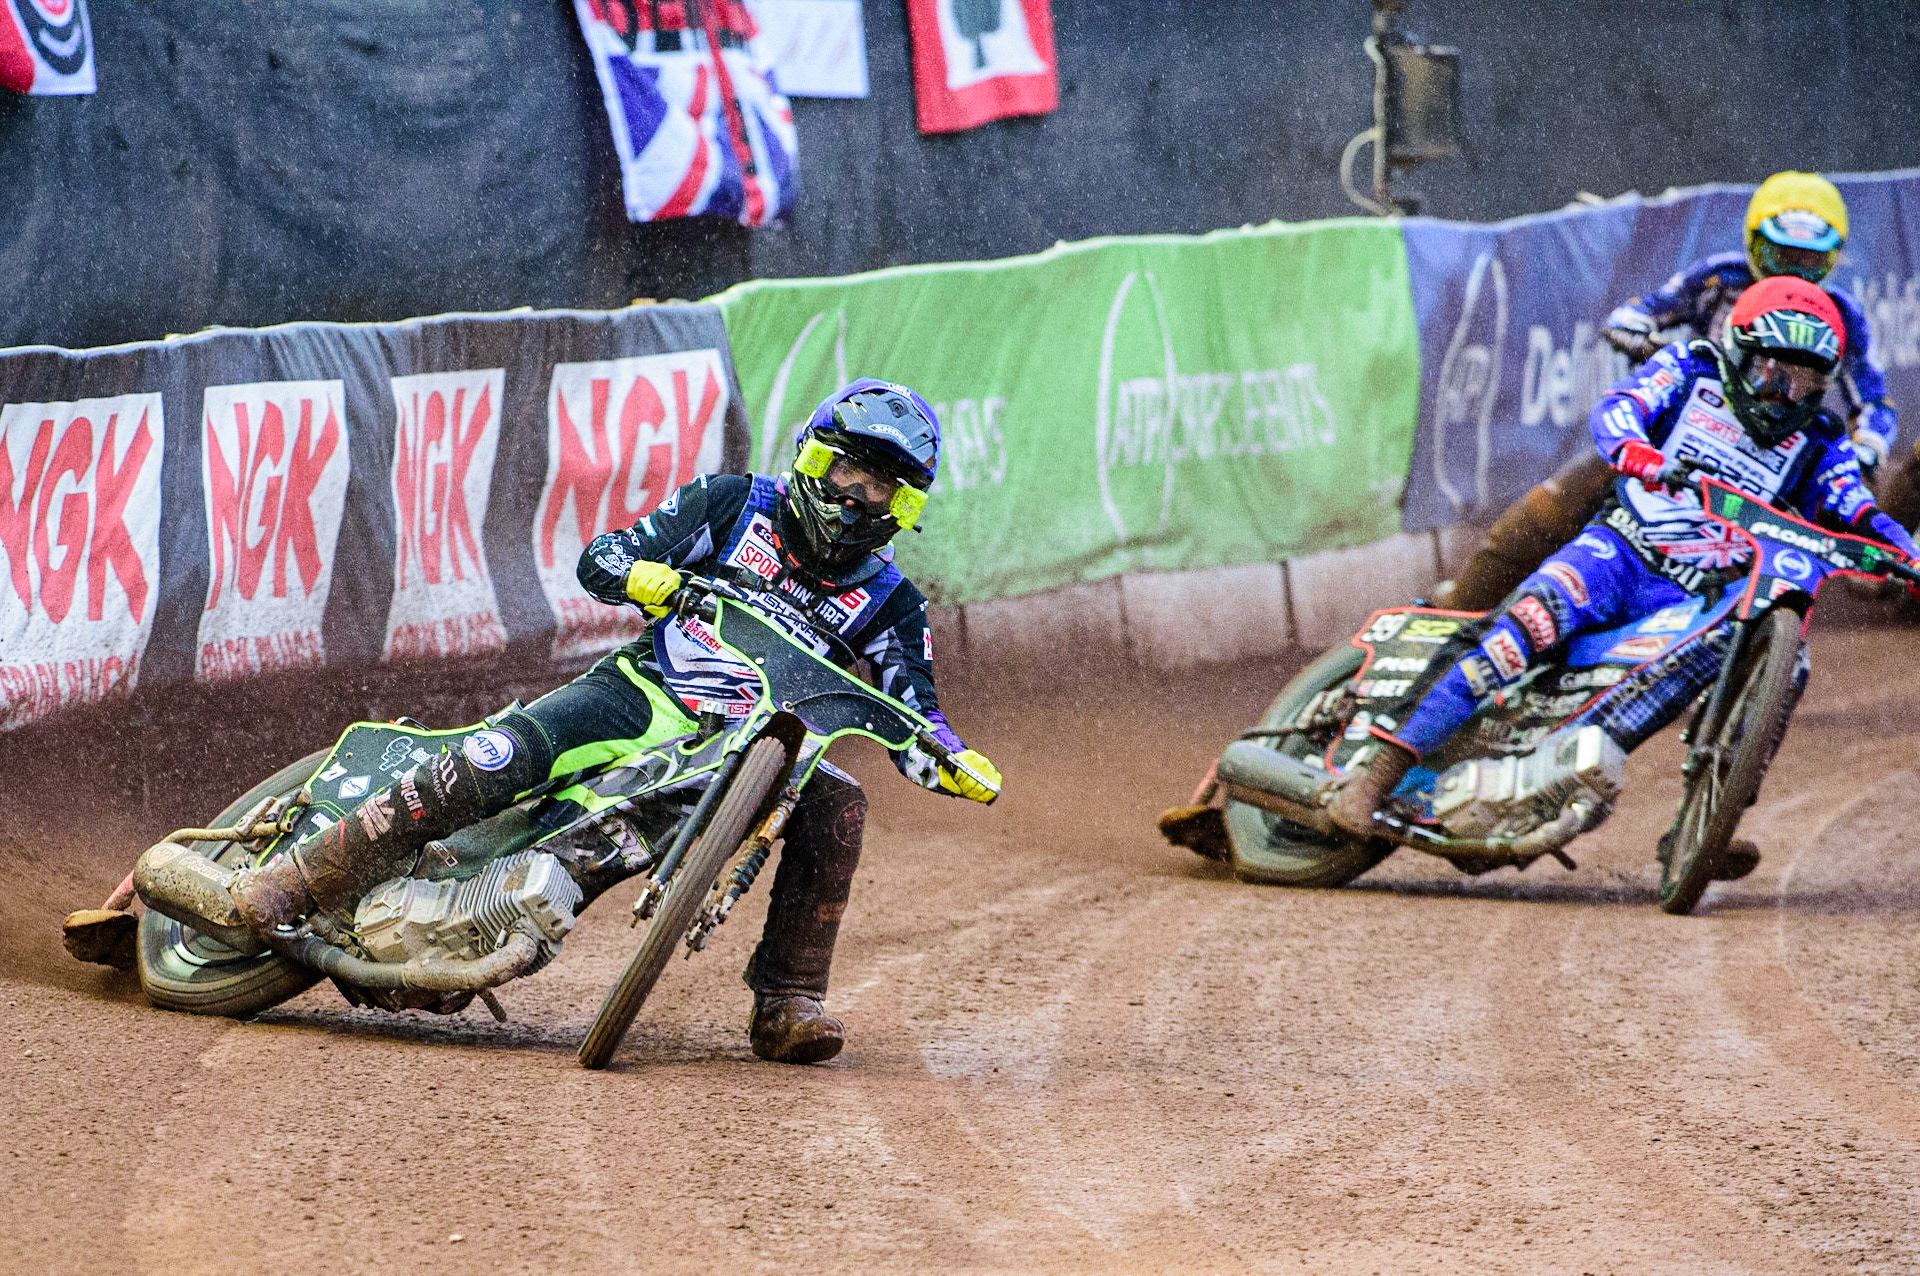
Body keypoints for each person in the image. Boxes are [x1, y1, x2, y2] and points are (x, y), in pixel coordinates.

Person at [231, 378, 1002, 1065]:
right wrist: (647, 577)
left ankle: (789, 1000)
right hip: (643, 692)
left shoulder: (893, 603)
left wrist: (955, 759)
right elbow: (603, 556)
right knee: (499, 756)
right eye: (848, 472)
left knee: (839, 802)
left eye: (881, 487)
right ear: (813, 460)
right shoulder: (733, 503)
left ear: (903, 506)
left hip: (747, 748)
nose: (857, 497)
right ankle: (295, 880)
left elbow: (915, 716)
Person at [1329, 276, 1919, 837]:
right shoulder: (1690, 368)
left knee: (1780, 666)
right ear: (1739, 355)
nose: (1785, 396)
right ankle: (1374, 776)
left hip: (1695, 595)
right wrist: (1642, 455)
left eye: (1806, 382)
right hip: (1617, 554)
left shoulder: (1820, 440)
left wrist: (1908, 555)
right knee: (1515, 636)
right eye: (1773, 374)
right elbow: (1618, 410)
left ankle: (1712, 815)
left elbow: (1857, 507)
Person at [1437, 171, 1901, 611]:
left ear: (1834, 259)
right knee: (1561, 502)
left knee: (1837, 509)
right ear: (1754, 245)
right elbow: (1641, 310)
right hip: (1681, 438)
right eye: (1783, 257)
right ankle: (1463, 602)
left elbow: (1874, 401)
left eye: (1810, 261)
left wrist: (1869, 447)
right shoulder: (1720, 277)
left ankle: (1793, 627)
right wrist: (1638, 336)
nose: (1795, 275)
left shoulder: (1843, 314)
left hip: (1776, 457)